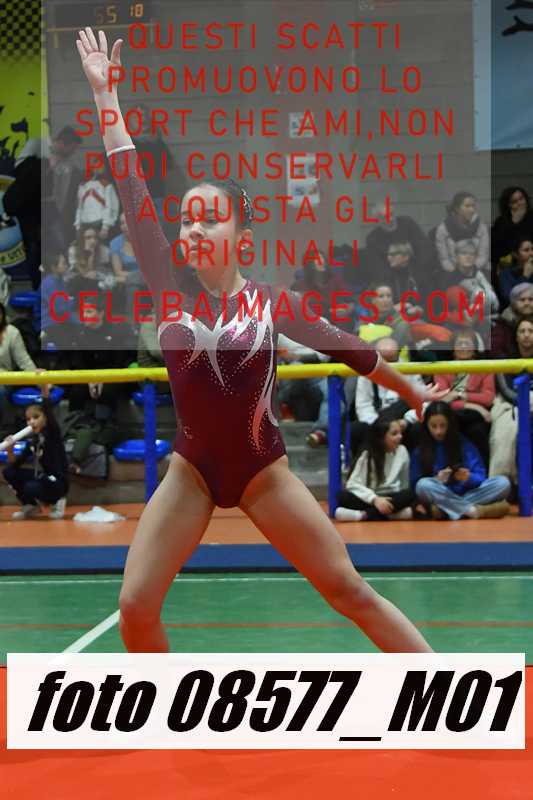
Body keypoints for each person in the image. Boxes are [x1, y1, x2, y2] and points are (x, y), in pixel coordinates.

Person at [76, 26, 445, 654]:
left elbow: (352, 349)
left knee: (349, 591)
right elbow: (131, 187)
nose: (193, 228)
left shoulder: (273, 303)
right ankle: (160, 705)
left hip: (263, 472)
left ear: (241, 237)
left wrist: (409, 389)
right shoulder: (168, 286)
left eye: (209, 218)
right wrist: (105, 98)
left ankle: (448, 685)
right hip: (191, 473)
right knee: (135, 606)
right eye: (187, 219)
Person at [411, 402, 511, 520]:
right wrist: (437, 480)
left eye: (443, 426)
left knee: (503, 483)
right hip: (440, 494)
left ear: (450, 424)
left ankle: (447, 511)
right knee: (423, 485)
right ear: (426, 425)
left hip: (465, 494)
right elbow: (415, 485)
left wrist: (468, 478)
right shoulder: (420, 450)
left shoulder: (464, 444)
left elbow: (481, 476)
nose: (438, 431)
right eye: (434, 426)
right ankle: (471, 510)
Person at [2, 386, 69, 520]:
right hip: (43, 477)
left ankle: (58, 501)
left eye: (36, 417)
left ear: (45, 418)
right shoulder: (33, 441)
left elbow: (48, 409)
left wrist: (43, 387)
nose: (32, 422)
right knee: (8, 472)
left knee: (30, 487)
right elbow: (15, 465)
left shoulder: (52, 433)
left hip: (58, 481)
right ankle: (30, 505)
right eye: (28, 419)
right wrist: (9, 450)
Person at [434, 330, 494, 467]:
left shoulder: (486, 367)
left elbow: (488, 398)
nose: (463, 347)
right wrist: (474, 406)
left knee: (477, 430)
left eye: (467, 343)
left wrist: (459, 395)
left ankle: (483, 470)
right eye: (459, 343)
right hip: (453, 414)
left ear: (474, 349)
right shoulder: (441, 368)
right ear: (453, 349)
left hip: (477, 418)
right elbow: (442, 401)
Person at [335, 418, 415, 522]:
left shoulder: (402, 451)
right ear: (381, 437)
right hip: (370, 496)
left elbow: (404, 484)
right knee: (342, 497)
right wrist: (375, 499)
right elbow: (352, 484)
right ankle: (391, 515)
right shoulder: (367, 454)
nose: (400, 436)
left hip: (391, 496)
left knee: (410, 494)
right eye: (394, 434)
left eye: (400, 433)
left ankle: (364, 515)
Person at [489, 318, 533, 483]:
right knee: (507, 431)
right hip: (510, 403)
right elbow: (506, 390)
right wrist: (525, 403)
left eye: (530, 331)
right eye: (522, 331)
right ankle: (502, 482)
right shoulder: (505, 358)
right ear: (516, 336)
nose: (526, 335)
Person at [434, 192, 490, 282]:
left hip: (478, 270)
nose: (472, 210)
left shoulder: (481, 227)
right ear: (457, 208)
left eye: (473, 206)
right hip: (452, 272)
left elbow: (483, 256)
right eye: (467, 206)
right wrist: (457, 272)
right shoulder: (443, 229)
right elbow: (444, 259)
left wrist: (471, 271)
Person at [491, 186, 533, 267]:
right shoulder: (501, 222)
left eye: (521, 198)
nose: (520, 203)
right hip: (508, 265)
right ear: (508, 205)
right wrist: (514, 223)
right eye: (514, 202)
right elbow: (496, 249)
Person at [490, 282, 533, 359]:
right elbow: (496, 350)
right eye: (522, 300)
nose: (527, 303)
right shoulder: (503, 322)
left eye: (530, 299)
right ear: (514, 302)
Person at [496, 237, 533, 310]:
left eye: (532, 249)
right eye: (526, 250)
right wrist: (525, 277)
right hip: (515, 312)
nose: (531, 253)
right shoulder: (506, 274)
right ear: (515, 254)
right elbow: (509, 298)